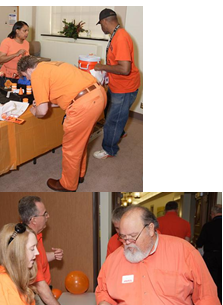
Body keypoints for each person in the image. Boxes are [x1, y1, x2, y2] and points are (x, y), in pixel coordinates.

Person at [95, 205, 221, 305]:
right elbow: (105, 290)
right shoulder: (115, 259)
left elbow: (206, 291)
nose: (127, 242)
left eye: (133, 236)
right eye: (123, 237)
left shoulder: (183, 251)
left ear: (150, 228)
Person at [17, 56, 107, 192]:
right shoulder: (53, 64)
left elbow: (42, 111)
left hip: (83, 105)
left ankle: (68, 184)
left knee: (71, 148)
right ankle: (79, 175)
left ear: (28, 69)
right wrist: (46, 103)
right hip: (98, 95)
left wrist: (33, 110)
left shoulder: (36, 75)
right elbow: (64, 92)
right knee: (80, 142)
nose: (28, 79)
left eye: (25, 76)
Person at [92, 8, 141, 160]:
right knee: (111, 111)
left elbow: (125, 69)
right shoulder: (116, 35)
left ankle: (109, 149)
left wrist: (102, 67)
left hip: (124, 86)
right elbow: (117, 62)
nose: (101, 28)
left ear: (105, 21)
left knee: (113, 119)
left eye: (100, 24)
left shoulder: (120, 37)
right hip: (118, 84)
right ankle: (119, 132)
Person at [18, 196, 71, 305]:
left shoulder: (34, 235)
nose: (48, 216)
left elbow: (38, 259)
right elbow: (40, 284)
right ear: (34, 220)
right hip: (36, 296)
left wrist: (52, 255)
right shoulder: (26, 241)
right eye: (44, 214)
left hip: (42, 293)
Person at [196, 204, 222, 305]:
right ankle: (221, 303)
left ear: (212, 214)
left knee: (211, 282)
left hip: (210, 256)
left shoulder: (208, 226)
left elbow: (199, 243)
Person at [0, 21, 30, 87]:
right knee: (9, 96)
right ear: (17, 31)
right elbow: (0, 60)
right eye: (24, 31)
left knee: (20, 95)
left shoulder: (26, 43)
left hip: (21, 75)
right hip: (8, 76)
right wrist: (16, 54)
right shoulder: (7, 42)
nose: (27, 33)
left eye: (28, 31)